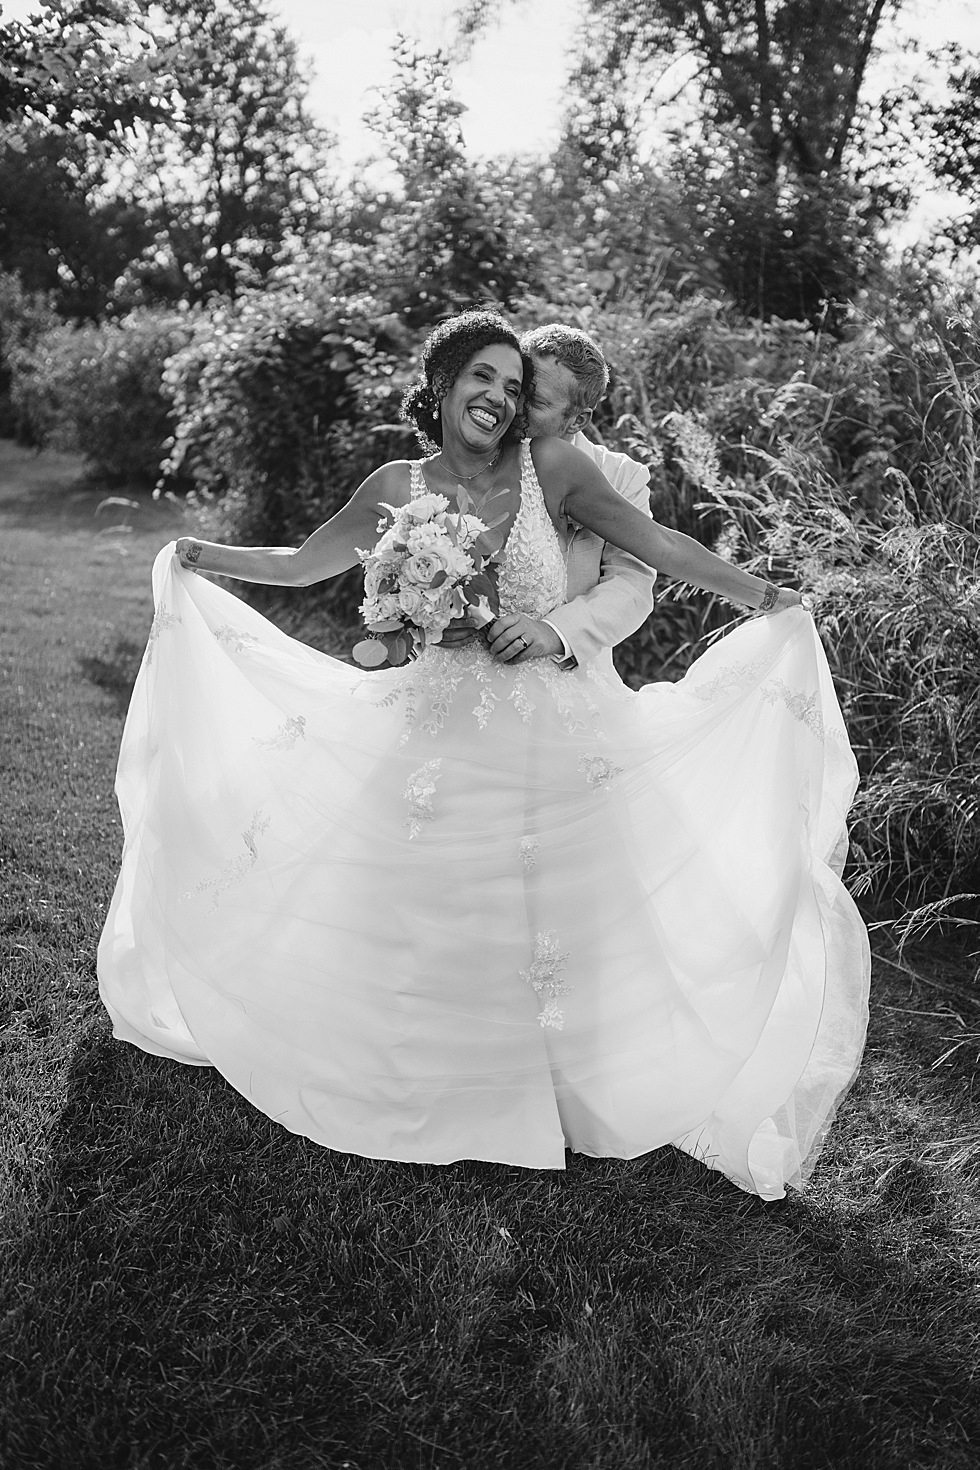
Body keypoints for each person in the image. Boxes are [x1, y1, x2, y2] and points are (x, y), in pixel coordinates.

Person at [98, 308, 870, 1201]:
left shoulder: (557, 468)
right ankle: (415, 1076)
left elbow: (655, 548)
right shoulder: (396, 483)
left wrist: (764, 596)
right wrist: (203, 553)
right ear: (442, 383)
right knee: (421, 900)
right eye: (484, 378)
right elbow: (307, 563)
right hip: (432, 723)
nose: (500, 399)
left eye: (514, 387)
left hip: (551, 726)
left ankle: (557, 1087)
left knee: (558, 915)